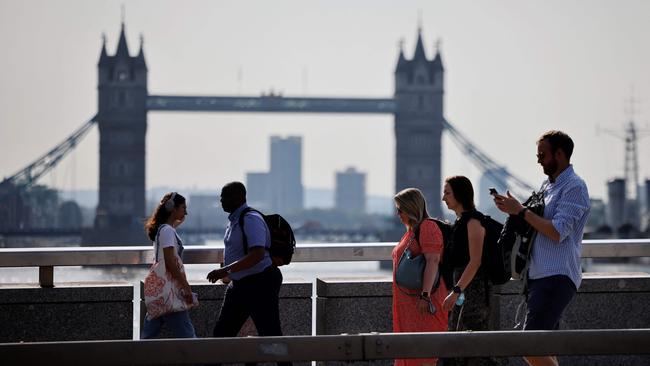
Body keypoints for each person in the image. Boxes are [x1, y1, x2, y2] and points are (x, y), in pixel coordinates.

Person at [493, 130, 590, 366]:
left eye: (542, 155)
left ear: (559, 154)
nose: (538, 160)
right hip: (538, 276)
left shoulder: (575, 187)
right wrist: (513, 209)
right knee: (545, 346)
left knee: (530, 344)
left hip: (556, 276)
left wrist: (522, 211)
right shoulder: (547, 185)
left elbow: (557, 232)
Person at [207, 181, 291, 366]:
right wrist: (229, 269)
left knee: (271, 335)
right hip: (239, 286)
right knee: (220, 335)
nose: (221, 200)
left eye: (225, 197)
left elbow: (257, 254)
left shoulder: (250, 218)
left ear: (239, 197)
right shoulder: (234, 221)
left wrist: (225, 270)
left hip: (260, 283)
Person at [441, 176, 496, 366]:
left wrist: (456, 292)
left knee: (472, 347)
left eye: (447, 193)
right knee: (458, 345)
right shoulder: (459, 221)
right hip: (464, 291)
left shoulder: (473, 222)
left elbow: (475, 262)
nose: (443, 198)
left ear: (460, 194)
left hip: (474, 292)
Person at [392, 188, 448, 366]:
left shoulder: (427, 227)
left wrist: (425, 295)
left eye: (400, 209)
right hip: (409, 304)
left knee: (424, 356)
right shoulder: (410, 232)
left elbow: (432, 261)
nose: (398, 213)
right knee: (410, 353)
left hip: (423, 303)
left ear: (411, 208)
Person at [141, 192, 196, 339]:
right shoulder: (167, 231)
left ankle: (136, 358)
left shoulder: (164, 229)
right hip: (170, 291)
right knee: (188, 338)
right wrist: (186, 286)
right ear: (173, 208)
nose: (186, 212)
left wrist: (177, 220)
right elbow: (170, 262)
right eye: (183, 208)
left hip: (161, 292)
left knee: (147, 337)